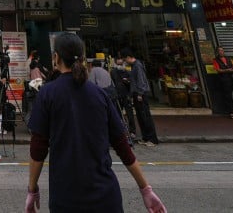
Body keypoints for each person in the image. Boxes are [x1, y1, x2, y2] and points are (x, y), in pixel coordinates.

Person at [25, 34, 166, 213]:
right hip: (106, 198)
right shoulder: (99, 94)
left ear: (56, 58)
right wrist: (145, 189)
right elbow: (123, 146)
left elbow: (38, 150)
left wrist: (32, 190)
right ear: (83, 58)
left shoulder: (47, 94)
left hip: (66, 198)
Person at [122, 48, 159, 146]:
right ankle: (145, 137)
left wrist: (140, 94)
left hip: (140, 94)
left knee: (145, 116)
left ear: (128, 57)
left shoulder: (138, 65)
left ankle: (152, 139)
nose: (125, 62)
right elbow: (136, 80)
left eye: (125, 59)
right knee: (140, 117)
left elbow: (141, 80)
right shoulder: (134, 66)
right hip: (136, 93)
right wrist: (129, 80)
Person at [212, 46, 233, 119]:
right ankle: (231, 112)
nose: (221, 52)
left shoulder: (229, 58)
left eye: (222, 50)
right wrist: (227, 70)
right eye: (220, 51)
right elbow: (218, 70)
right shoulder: (215, 60)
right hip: (225, 79)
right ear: (217, 52)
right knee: (228, 96)